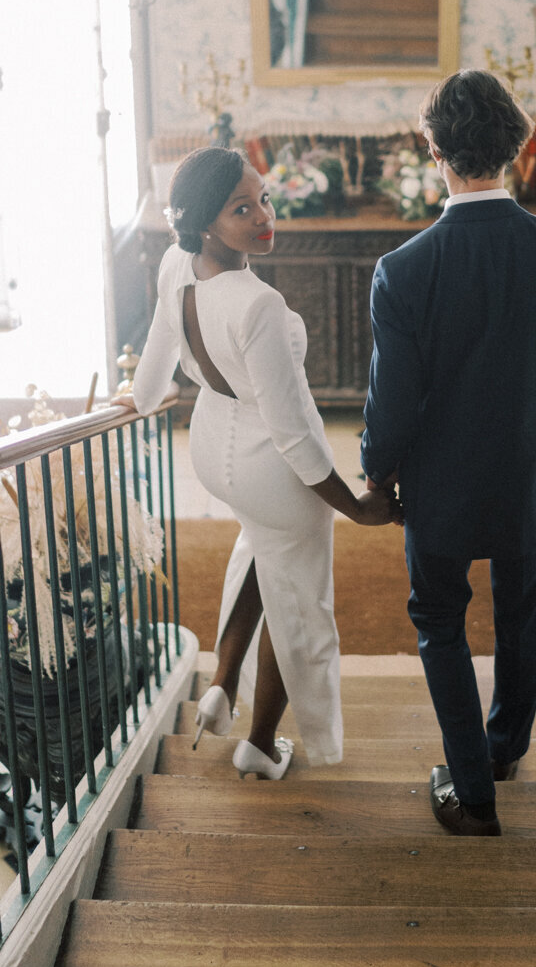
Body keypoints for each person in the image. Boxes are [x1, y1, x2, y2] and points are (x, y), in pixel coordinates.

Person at [360, 70, 536, 835]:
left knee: (439, 622)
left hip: (439, 490)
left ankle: (472, 792)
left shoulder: (403, 272)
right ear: (518, 143)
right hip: (535, 482)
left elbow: (391, 409)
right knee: (524, 618)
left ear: (433, 149)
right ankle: (503, 749)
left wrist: (378, 472)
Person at [128, 147, 399, 781]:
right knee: (299, 603)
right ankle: (260, 742)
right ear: (203, 223)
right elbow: (297, 432)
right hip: (271, 469)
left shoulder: (176, 265)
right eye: (241, 209)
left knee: (263, 551)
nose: (263, 217)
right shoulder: (258, 305)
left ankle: (222, 681)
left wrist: (136, 402)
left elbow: (153, 362)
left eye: (265, 199)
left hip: (213, 451)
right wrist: (354, 506)